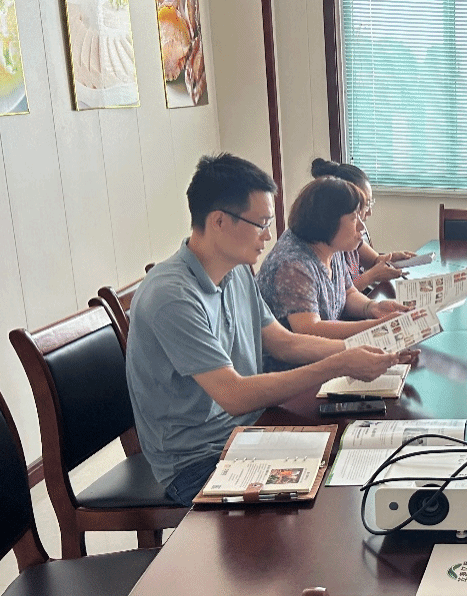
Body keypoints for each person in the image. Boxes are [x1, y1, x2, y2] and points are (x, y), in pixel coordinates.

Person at [126, 153, 414, 505]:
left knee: (363, 455)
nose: (268, 235)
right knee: (335, 498)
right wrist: (339, 363)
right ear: (219, 221)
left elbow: (284, 342)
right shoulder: (172, 296)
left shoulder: (235, 271)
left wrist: (364, 348)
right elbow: (234, 395)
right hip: (198, 462)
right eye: (260, 224)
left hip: (250, 430)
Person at [256, 177, 412, 371]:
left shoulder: (331, 245)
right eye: (354, 218)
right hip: (293, 371)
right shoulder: (293, 265)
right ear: (327, 221)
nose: (362, 227)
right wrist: (375, 326)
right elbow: (309, 329)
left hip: (327, 358)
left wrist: (373, 308)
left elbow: (348, 292)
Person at [310, 158, 415, 291]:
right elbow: (341, 294)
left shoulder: (353, 235)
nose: (369, 212)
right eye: (365, 205)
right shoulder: (330, 242)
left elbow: (374, 260)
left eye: (370, 203)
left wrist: (392, 258)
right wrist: (372, 276)